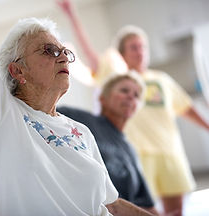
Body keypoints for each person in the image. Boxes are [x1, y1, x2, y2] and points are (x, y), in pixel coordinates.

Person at [0, 0, 155, 215]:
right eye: (49, 50)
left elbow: (112, 204)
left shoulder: (83, 132)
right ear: (17, 71)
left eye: (65, 52)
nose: (63, 59)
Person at [57, 0, 209, 215]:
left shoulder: (162, 79)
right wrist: (72, 15)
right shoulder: (116, 78)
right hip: (138, 155)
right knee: (138, 207)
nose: (140, 52)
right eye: (133, 47)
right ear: (123, 53)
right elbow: (90, 54)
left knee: (176, 211)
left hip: (170, 152)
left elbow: (187, 109)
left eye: (143, 46)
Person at [58, 72, 158, 215]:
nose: (131, 96)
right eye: (124, 90)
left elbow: (146, 204)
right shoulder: (77, 119)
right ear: (102, 98)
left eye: (136, 95)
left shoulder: (130, 150)